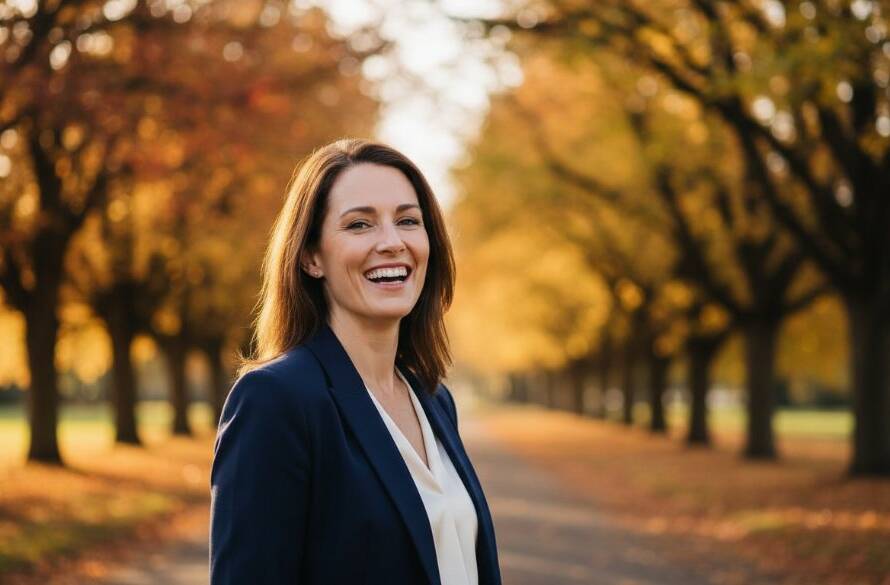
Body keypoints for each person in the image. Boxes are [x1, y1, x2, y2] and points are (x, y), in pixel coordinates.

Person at [209, 138, 502, 585]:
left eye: (408, 220)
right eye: (360, 224)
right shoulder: (275, 400)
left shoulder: (433, 398)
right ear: (311, 257)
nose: (392, 242)